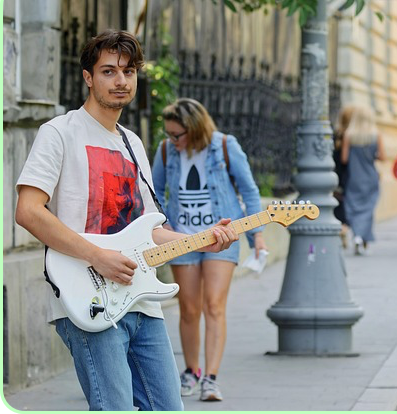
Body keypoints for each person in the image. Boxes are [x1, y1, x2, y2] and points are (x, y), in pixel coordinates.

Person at [14, 30, 238, 411]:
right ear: (88, 77)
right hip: (89, 298)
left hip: (141, 300)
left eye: (129, 72)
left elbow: (149, 228)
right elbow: (28, 211)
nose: (121, 81)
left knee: (168, 408)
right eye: (109, 72)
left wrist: (203, 239)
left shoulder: (133, 143)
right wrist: (97, 256)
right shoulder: (59, 133)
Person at [151, 98, 266, 402]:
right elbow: (153, 196)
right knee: (189, 308)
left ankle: (211, 379)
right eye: (169, 134)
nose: (172, 141)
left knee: (214, 305)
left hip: (222, 237)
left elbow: (250, 191)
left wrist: (257, 238)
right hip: (182, 238)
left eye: (177, 135)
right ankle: (192, 371)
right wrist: (161, 233)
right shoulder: (166, 152)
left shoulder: (225, 147)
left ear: (195, 129)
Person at [341, 105, 385, 255]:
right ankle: (362, 237)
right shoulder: (376, 134)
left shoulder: (349, 135)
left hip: (355, 177)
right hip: (371, 176)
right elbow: (383, 157)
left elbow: (344, 159)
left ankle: (357, 235)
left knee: (353, 206)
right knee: (368, 208)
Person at [333, 106, 354, 248]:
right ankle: (344, 228)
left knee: (338, 203)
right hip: (348, 174)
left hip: (335, 172)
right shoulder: (352, 137)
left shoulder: (336, 135)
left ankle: (341, 228)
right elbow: (346, 158)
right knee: (347, 202)